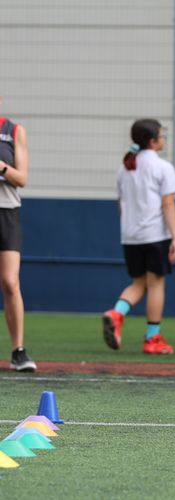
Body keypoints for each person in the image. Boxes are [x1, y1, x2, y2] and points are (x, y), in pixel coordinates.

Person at [102, 118, 175, 355]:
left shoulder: (125, 168)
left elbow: (121, 205)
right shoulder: (163, 167)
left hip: (130, 236)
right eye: (161, 135)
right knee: (155, 284)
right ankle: (152, 338)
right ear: (153, 141)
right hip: (155, 235)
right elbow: (168, 204)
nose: (164, 138)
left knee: (139, 283)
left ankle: (116, 313)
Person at [0, 97, 37, 371]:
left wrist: (1, 166)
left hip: (6, 212)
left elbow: (22, 178)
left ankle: (18, 352)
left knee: (11, 282)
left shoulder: (14, 131)